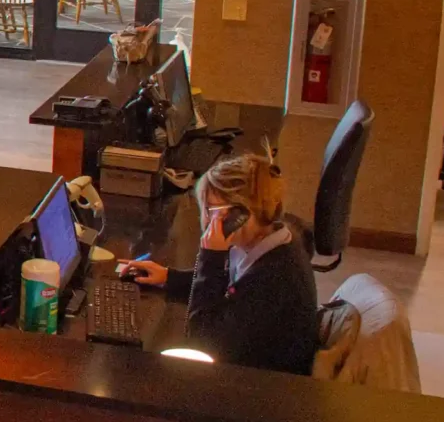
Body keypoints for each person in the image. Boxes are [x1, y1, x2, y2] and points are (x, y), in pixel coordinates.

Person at [119, 153, 319, 375]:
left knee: (144, 372)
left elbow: (201, 340)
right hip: (250, 365)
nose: (204, 219)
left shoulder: (276, 277)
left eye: (210, 210)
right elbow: (230, 287)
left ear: (240, 216)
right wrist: (170, 277)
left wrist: (211, 256)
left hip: (264, 388)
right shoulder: (267, 241)